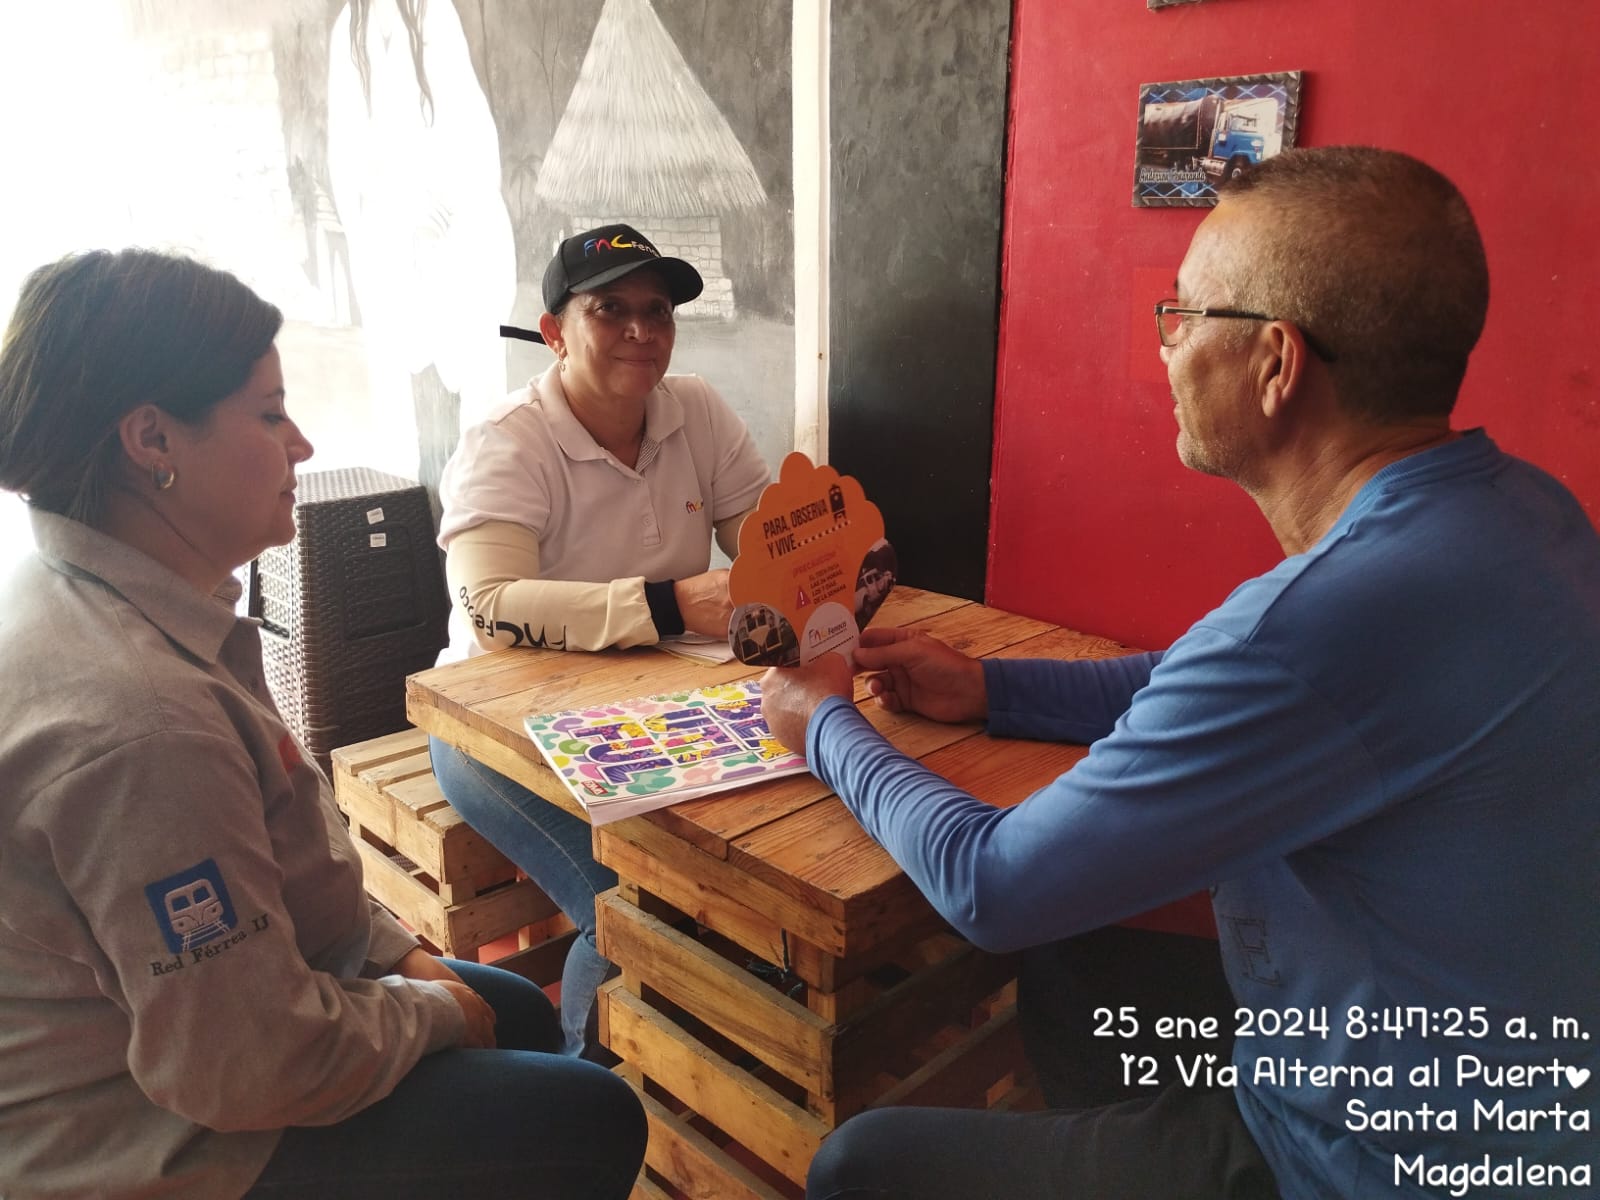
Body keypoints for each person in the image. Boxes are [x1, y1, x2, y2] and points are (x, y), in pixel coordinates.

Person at [761, 146, 1600, 1200]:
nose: (1165, 348)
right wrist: (992, 689)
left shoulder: (1316, 621)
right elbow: (1225, 685)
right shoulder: (1520, 510)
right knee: (1076, 969)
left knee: (861, 1163)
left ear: (1276, 363)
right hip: (1511, 1091)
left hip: (1366, 1159)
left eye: (1183, 315)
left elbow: (993, 885)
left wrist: (824, 723)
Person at [0, 249, 646, 1199]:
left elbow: (285, 882)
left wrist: (400, 958)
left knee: (508, 1004)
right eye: (269, 414)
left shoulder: (129, 598)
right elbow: (243, 1066)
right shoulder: (142, 729)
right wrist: (435, 1013)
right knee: (593, 1115)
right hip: (162, 1141)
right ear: (152, 441)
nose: (300, 444)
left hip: (225, 1029)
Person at [429, 223, 769, 1057]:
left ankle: (705, 1063)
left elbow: (765, 541)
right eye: (609, 309)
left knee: (741, 867)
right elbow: (490, 608)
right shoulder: (508, 439)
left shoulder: (696, 408)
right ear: (554, 332)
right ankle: (587, 1090)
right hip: (494, 728)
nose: (641, 331)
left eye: (658, 311)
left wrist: (825, 560)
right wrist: (670, 604)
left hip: (655, 705)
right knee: (628, 900)